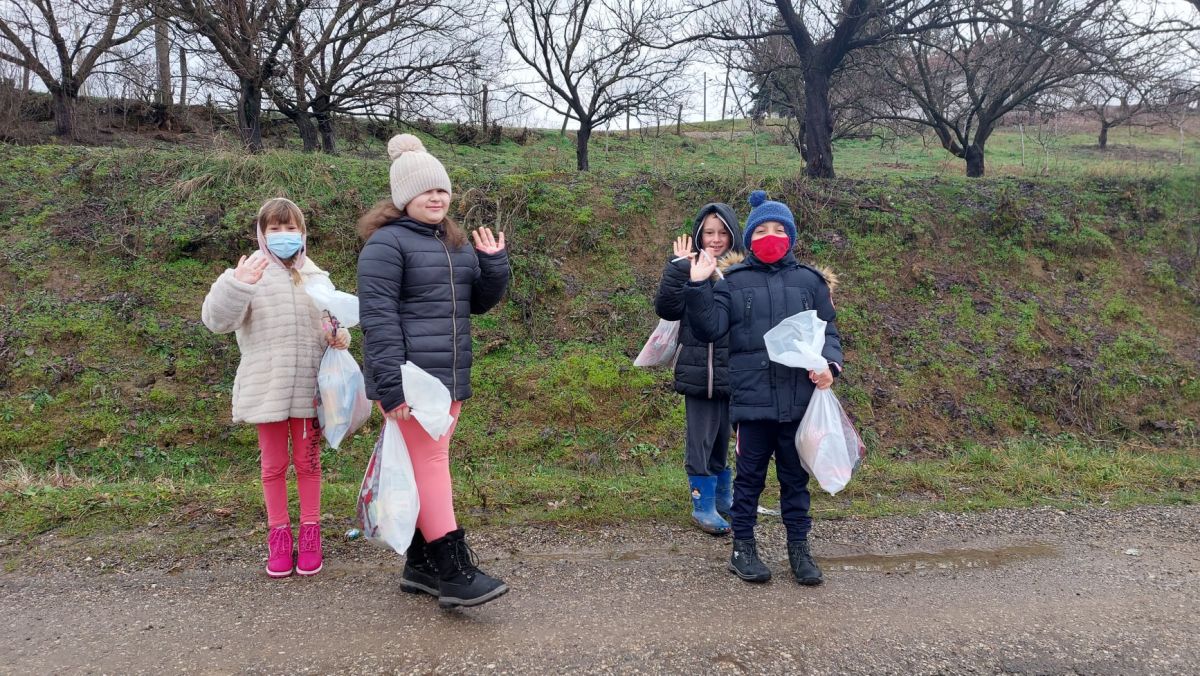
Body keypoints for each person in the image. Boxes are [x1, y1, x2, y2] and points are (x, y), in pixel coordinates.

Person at [357, 134, 511, 609]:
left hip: (449, 382)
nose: (437, 198)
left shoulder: (457, 243)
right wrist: (391, 387)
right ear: (404, 197)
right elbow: (378, 321)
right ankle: (453, 569)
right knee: (431, 467)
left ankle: (421, 565)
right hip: (413, 384)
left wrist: (494, 265)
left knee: (429, 468)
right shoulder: (386, 246)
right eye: (426, 191)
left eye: (442, 190)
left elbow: (478, 304)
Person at [683, 190, 844, 586]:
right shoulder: (732, 281)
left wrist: (831, 366)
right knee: (748, 480)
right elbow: (710, 328)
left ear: (790, 235)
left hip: (798, 402)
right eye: (761, 231)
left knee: (795, 480)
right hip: (752, 403)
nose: (770, 236)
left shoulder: (810, 281)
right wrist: (699, 286)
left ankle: (799, 550)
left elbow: (830, 332)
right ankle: (743, 549)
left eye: (779, 229)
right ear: (749, 237)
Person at [201, 197, 351, 578]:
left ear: (302, 233)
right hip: (266, 385)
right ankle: (279, 537)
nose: (284, 236)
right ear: (262, 233)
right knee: (273, 465)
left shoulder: (317, 277)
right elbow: (216, 320)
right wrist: (237, 285)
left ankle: (311, 534)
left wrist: (340, 337)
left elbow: (336, 323)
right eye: (275, 229)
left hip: (308, 388)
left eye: (291, 228)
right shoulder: (248, 272)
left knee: (308, 463)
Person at [653, 203, 745, 535]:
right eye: (709, 232)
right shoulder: (688, 264)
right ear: (699, 235)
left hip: (730, 372)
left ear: (733, 235)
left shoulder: (740, 271)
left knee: (723, 439)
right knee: (700, 442)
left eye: (722, 232)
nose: (716, 239)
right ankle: (701, 505)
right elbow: (667, 307)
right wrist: (679, 270)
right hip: (697, 372)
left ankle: (723, 499)